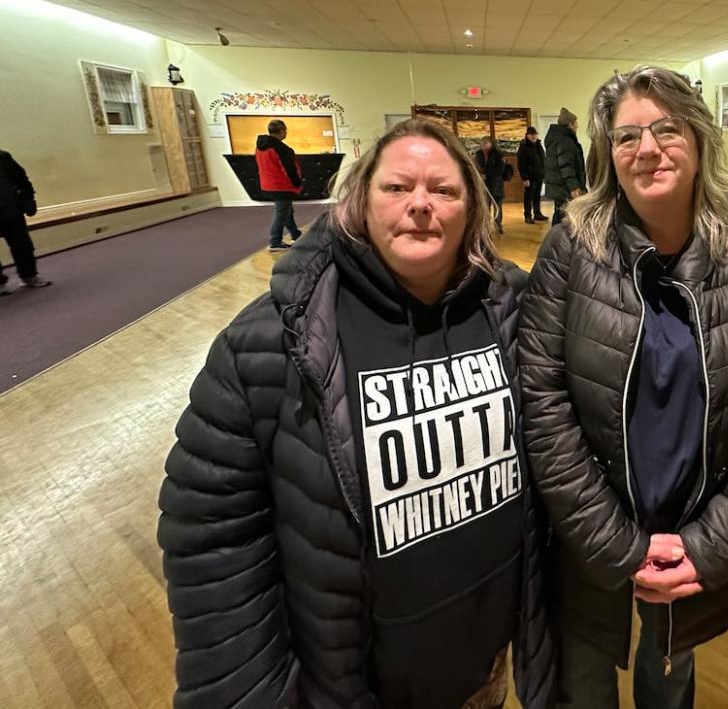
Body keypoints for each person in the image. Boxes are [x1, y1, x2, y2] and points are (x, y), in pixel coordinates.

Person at [158, 118, 554, 709]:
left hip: (484, 662)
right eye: (397, 188)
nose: (420, 204)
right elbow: (212, 546)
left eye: (444, 190)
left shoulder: (515, 312)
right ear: (359, 204)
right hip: (351, 680)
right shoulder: (269, 343)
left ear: (472, 209)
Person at [519, 66, 728, 708]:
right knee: (584, 685)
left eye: (666, 130)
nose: (647, 149)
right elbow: (541, 403)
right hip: (588, 539)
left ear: (699, 141)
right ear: (608, 156)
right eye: (627, 137)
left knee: (670, 678)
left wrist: (708, 548)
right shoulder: (570, 253)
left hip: (694, 543)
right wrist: (615, 546)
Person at [0, 148, 51, 293]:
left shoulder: (2, 157)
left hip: (10, 210)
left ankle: (29, 275)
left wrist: (29, 202)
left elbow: (22, 180)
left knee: (22, 244)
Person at [256, 118, 302, 251]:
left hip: (268, 184)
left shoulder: (260, 147)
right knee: (282, 212)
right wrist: (297, 183)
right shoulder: (281, 148)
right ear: (282, 131)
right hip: (281, 185)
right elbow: (289, 169)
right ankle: (275, 241)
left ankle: (295, 234)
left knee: (287, 210)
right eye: (285, 130)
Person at [542, 108, 586, 226]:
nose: (577, 126)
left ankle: (556, 241)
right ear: (569, 124)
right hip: (564, 186)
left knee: (560, 213)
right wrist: (574, 187)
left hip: (558, 185)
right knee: (565, 216)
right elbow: (566, 165)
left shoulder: (556, 138)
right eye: (575, 123)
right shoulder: (565, 140)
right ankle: (559, 241)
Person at [474, 136, 508, 234]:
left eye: (486, 143)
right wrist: (479, 174)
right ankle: (485, 226)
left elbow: (500, 168)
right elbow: (476, 166)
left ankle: (498, 225)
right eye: (482, 143)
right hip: (483, 184)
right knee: (485, 206)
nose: (484, 145)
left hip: (496, 184)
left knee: (497, 205)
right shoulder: (479, 154)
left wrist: (487, 175)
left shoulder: (497, 154)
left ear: (491, 144)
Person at [517, 126, 548, 224]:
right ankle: (527, 216)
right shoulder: (523, 147)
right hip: (530, 177)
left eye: (535, 134)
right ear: (527, 135)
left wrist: (544, 174)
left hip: (539, 175)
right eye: (532, 135)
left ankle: (537, 213)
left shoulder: (539, 145)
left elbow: (543, 159)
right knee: (528, 197)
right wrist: (525, 178)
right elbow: (521, 164)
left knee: (537, 196)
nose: (534, 136)